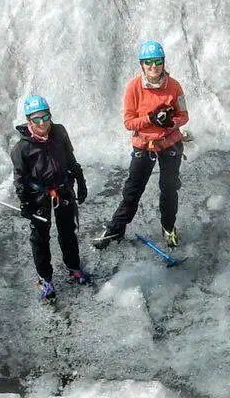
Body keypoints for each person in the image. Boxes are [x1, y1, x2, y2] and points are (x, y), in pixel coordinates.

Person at [93, 40, 188, 250]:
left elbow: (184, 116)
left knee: (169, 189)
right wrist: (150, 119)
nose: (153, 67)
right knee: (133, 190)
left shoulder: (174, 86)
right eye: (148, 62)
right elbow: (128, 123)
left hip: (169, 144)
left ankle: (169, 228)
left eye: (157, 61)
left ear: (163, 62)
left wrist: (171, 122)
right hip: (144, 145)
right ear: (142, 64)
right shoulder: (133, 87)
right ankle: (115, 230)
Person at [10, 95, 91, 300]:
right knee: (40, 238)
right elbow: (20, 179)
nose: (43, 123)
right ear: (29, 121)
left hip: (63, 189)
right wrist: (25, 203)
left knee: (67, 231)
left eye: (45, 117)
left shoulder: (60, 132)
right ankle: (44, 278)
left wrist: (80, 181)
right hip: (39, 196)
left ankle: (73, 267)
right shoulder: (21, 149)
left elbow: (71, 158)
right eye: (37, 119)